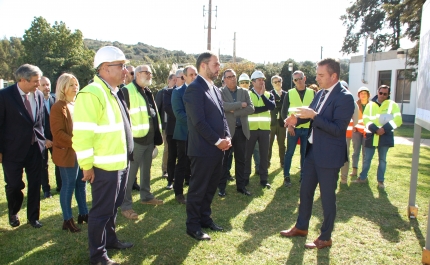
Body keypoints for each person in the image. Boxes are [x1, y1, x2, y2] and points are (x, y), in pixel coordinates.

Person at [280, 58, 354, 250]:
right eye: (317, 74)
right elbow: (311, 118)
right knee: (305, 192)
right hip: (312, 152)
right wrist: (296, 119)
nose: (317, 78)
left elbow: (338, 129)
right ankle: (301, 227)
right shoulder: (320, 94)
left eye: (321, 75)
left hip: (329, 156)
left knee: (327, 198)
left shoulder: (345, 98)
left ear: (334, 76)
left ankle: (325, 237)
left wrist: (313, 116)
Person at [73, 46, 134, 265]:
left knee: (113, 207)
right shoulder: (92, 93)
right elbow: (82, 135)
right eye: (121, 66)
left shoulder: (112, 92)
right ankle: (98, 256)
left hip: (119, 163)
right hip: (104, 167)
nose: (125, 70)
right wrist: (87, 166)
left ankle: (110, 240)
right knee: (101, 212)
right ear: (106, 68)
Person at [183, 51, 231, 241]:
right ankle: (192, 226)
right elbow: (199, 122)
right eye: (216, 64)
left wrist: (227, 136)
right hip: (203, 150)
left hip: (217, 149)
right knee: (198, 189)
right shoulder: (194, 89)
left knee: (211, 187)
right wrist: (218, 141)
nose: (219, 67)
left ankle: (205, 219)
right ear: (203, 65)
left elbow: (222, 117)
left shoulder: (215, 89)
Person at [0, 64, 46, 229]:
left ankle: (33, 218)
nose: (37, 84)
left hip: (35, 148)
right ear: (22, 80)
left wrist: (43, 140)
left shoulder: (39, 95)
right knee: (14, 185)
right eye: (35, 81)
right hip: (12, 150)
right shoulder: (4, 96)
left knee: (35, 184)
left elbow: (40, 121)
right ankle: (13, 212)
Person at [121, 64, 163, 213]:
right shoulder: (126, 91)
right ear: (138, 74)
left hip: (149, 139)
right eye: (147, 72)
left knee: (146, 171)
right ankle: (125, 206)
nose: (150, 75)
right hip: (135, 141)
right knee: (130, 175)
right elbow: (123, 118)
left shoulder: (147, 91)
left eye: (151, 73)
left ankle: (146, 196)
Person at [50, 73, 88, 233]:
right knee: (68, 186)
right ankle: (67, 219)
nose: (75, 87)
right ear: (63, 87)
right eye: (71, 85)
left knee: (82, 184)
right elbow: (58, 134)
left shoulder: (77, 104)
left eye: (76, 84)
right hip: (67, 153)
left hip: (80, 152)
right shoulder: (58, 107)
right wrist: (77, 142)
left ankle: (84, 214)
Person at [353, 85, 402, 189]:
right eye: (381, 93)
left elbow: (398, 120)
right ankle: (362, 177)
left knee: (382, 160)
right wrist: (376, 129)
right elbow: (366, 119)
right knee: (367, 159)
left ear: (388, 94)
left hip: (385, 135)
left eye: (385, 94)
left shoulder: (393, 105)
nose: (382, 95)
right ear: (377, 92)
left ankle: (380, 181)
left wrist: (384, 129)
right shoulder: (370, 105)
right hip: (372, 135)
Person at [218, 69, 254, 197]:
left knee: (241, 160)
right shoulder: (220, 92)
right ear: (225, 80)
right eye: (229, 77)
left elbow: (251, 108)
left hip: (241, 131)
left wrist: (235, 111)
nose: (232, 78)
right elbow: (222, 106)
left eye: (233, 76)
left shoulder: (244, 92)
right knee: (224, 161)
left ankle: (241, 187)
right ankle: (221, 188)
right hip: (226, 132)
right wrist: (239, 104)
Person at [280, 70, 315, 187]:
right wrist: (289, 125)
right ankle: (286, 176)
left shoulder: (313, 93)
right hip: (293, 129)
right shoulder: (289, 93)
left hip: (308, 129)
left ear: (304, 78)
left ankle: (303, 176)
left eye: (300, 78)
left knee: (305, 153)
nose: (298, 81)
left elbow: (315, 111)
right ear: (293, 82)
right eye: (295, 79)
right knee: (289, 153)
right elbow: (284, 112)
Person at [244, 70, 276, 190]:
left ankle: (264, 179)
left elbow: (272, 106)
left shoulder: (268, 94)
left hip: (264, 129)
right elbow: (251, 110)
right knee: (247, 155)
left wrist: (262, 95)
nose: (262, 82)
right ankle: (245, 178)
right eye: (259, 80)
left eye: (263, 79)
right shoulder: (247, 94)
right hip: (250, 129)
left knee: (264, 155)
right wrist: (264, 107)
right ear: (253, 82)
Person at [171, 65, 198, 204]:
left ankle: (194, 191)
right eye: (191, 75)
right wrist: (197, 123)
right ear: (184, 77)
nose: (194, 77)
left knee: (195, 164)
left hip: (199, 134)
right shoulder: (178, 92)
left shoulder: (201, 91)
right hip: (184, 134)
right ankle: (179, 193)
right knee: (182, 163)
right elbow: (179, 114)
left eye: (195, 74)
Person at [39, 76, 61, 197]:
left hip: (56, 138)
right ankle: (46, 189)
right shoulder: (35, 102)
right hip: (41, 139)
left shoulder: (55, 100)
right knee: (43, 165)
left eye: (47, 84)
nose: (46, 87)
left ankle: (60, 186)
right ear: (38, 86)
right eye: (43, 85)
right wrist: (44, 139)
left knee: (59, 162)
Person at [164, 69, 183, 189]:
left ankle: (186, 177)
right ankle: (170, 180)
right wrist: (181, 115)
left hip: (184, 129)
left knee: (184, 156)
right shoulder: (168, 92)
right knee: (172, 155)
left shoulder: (188, 91)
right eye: (180, 77)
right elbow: (168, 108)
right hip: (172, 129)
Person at [155, 74, 176, 178]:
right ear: (169, 80)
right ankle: (165, 170)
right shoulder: (161, 93)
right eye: (174, 80)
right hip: (165, 125)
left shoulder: (178, 92)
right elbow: (157, 110)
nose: (176, 82)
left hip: (176, 125)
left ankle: (174, 169)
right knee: (168, 148)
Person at [339, 80, 358, 184]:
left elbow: (356, 120)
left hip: (346, 135)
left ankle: (344, 178)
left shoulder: (352, 103)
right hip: (333, 135)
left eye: (344, 88)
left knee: (344, 156)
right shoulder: (333, 100)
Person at [350, 86, 370, 178]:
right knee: (355, 151)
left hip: (367, 132)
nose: (363, 95)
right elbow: (351, 116)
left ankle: (363, 172)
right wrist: (354, 126)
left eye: (365, 93)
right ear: (359, 95)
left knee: (365, 153)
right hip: (357, 131)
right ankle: (354, 170)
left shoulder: (371, 105)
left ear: (368, 95)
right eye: (361, 93)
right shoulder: (355, 104)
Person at [268, 75, 286, 168]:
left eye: (279, 81)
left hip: (282, 124)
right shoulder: (269, 94)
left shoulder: (286, 94)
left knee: (282, 144)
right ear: (272, 84)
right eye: (275, 82)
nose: (277, 83)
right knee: (268, 144)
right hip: (271, 123)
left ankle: (283, 162)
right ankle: (267, 163)